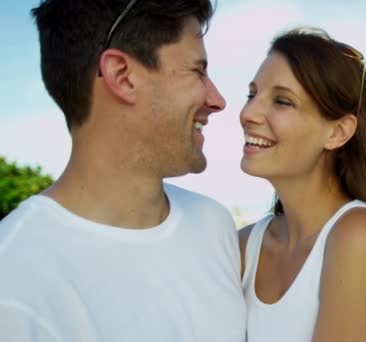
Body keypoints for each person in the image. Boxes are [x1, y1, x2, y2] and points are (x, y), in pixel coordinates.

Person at [0, 0, 246, 341]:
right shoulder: (12, 279)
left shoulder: (213, 225)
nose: (217, 100)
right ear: (122, 76)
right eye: (197, 71)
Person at [238, 27, 366, 342]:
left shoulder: (358, 238)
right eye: (252, 94)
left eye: (282, 101)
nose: (248, 113)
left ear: (337, 132)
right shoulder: (243, 247)